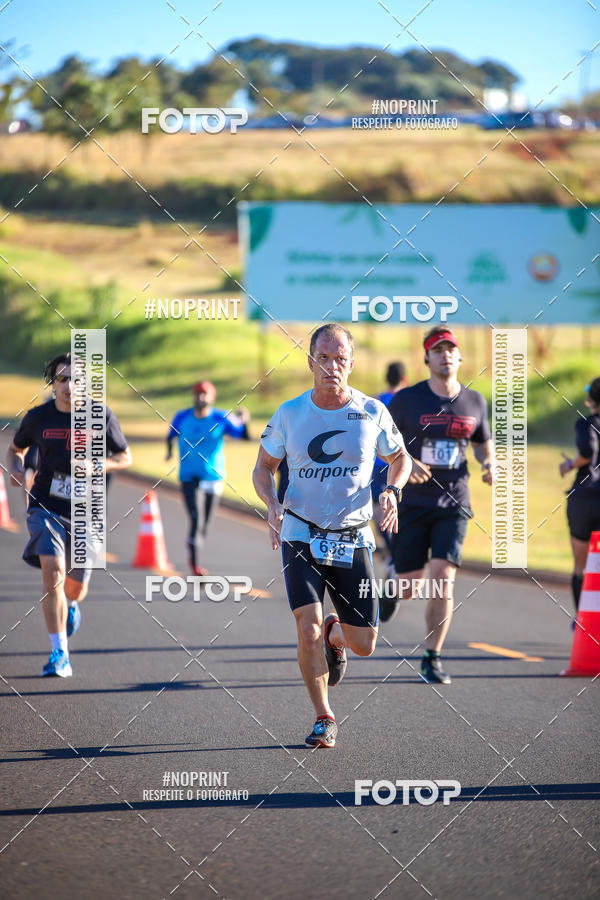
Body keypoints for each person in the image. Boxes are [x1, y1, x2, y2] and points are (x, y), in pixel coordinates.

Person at [253, 323, 411, 749]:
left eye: (340, 358)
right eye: (323, 358)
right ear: (310, 362)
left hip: (354, 537)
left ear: (352, 363)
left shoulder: (372, 411)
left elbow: (400, 458)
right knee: (304, 628)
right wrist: (272, 503)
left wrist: (392, 492)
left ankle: (335, 636)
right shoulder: (289, 413)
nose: (332, 366)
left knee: (365, 644)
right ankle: (324, 716)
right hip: (301, 533)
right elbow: (263, 468)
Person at [6, 353, 131, 677]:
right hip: (45, 503)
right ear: (53, 383)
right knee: (53, 571)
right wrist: (16, 468)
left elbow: (125, 457)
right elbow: (15, 448)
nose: (69, 386)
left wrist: (97, 465)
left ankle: (71, 606)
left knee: (74, 589)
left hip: (86, 511)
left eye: (76, 380)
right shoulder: (38, 417)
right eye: (62, 379)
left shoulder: (100, 415)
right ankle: (59, 652)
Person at [385, 325, 495, 685]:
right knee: (411, 585)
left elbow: (481, 441)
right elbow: (382, 444)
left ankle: (432, 656)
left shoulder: (475, 401)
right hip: (414, 502)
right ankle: (391, 582)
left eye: (451, 349)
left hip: (454, 501)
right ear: (426, 358)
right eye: (437, 349)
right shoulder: (406, 400)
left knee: (443, 579)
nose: (445, 354)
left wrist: (488, 463)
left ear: (460, 357)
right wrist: (406, 461)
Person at [167, 381, 250, 576]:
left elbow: (243, 436)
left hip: (213, 476)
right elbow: (170, 435)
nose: (201, 398)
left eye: (205, 394)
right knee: (195, 519)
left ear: (211, 397)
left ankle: (194, 543)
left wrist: (244, 420)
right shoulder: (182, 416)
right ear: (193, 396)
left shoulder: (221, 417)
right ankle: (195, 566)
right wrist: (168, 452)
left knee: (204, 524)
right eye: (197, 394)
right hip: (188, 475)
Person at [559, 378, 600, 616]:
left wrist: (569, 464)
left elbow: (587, 452)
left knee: (580, 566)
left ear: (590, 399)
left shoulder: (586, 424)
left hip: (584, 499)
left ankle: (582, 620)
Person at [371, 362, 409, 561]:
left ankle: (389, 548)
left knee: (379, 509)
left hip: (378, 465)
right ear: (405, 379)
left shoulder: (376, 401)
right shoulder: (408, 401)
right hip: (402, 463)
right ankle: (397, 554)